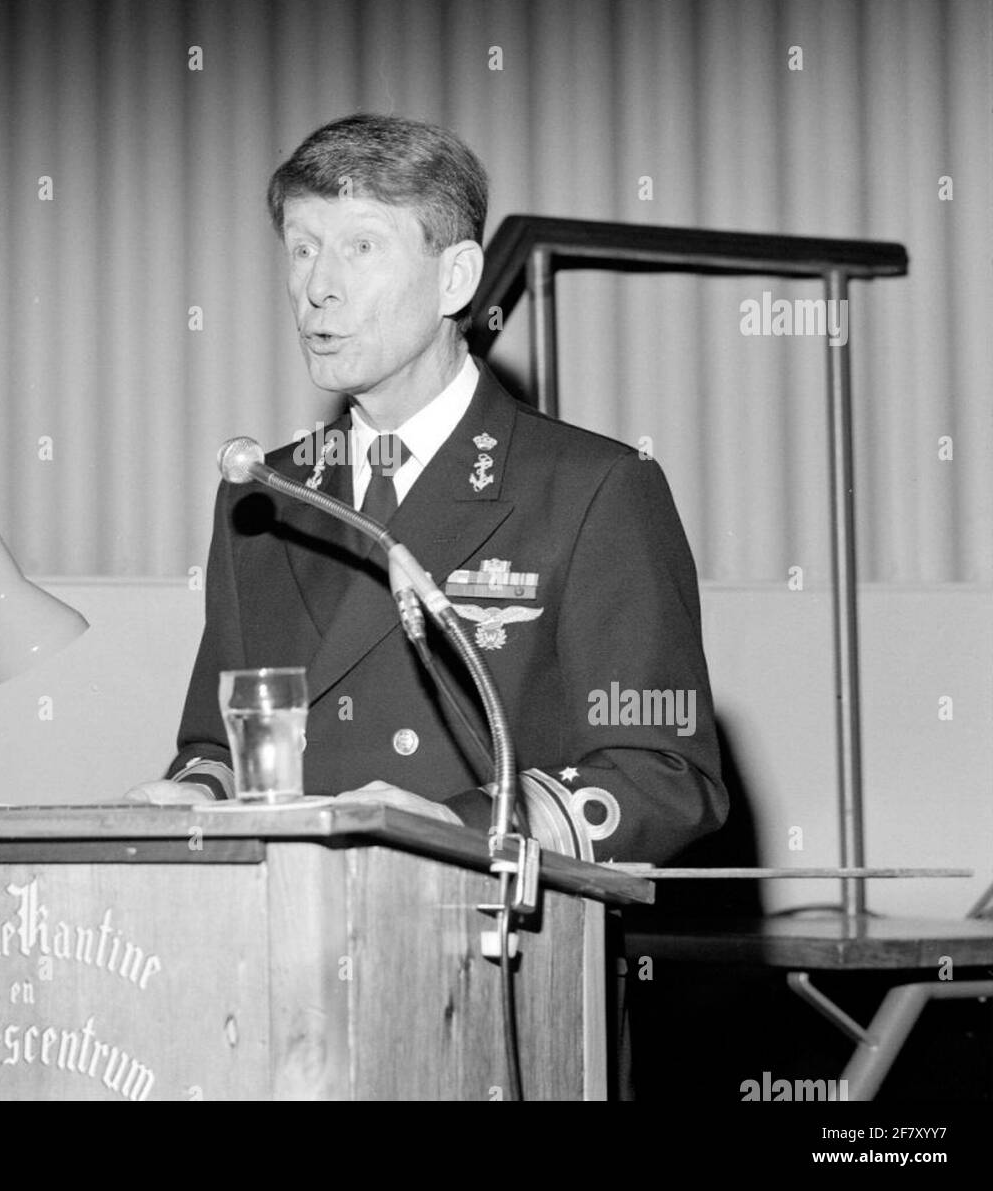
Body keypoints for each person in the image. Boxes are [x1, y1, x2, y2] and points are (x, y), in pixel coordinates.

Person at [127, 113, 727, 863]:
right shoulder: (263, 495)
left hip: (482, 937)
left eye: (362, 248)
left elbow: (665, 776)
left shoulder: (592, 490)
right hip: (286, 921)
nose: (318, 288)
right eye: (303, 249)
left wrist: (464, 828)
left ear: (456, 278)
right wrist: (199, 791)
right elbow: (221, 740)